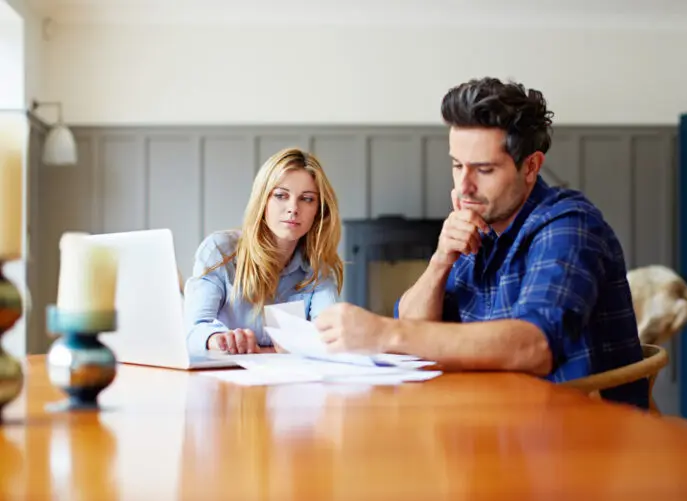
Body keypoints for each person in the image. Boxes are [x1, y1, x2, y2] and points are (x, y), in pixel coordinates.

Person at [314, 77, 647, 409]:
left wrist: (384, 334)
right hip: (493, 416)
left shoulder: (569, 225)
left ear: (531, 166)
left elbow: (535, 345)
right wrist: (441, 260)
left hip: (579, 429)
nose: (464, 186)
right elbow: (414, 323)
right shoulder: (480, 222)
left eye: (484, 169)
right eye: (457, 165)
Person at [184, 148, 344, 355]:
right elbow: (194, 330)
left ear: (319, 210)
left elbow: (329, 340)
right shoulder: (219, 250)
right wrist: (217, 340)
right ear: (263, 200)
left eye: (307, 199)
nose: (293, 208)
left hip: (287, 375)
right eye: (281, 195)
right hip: (227, 372)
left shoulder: (317, 267)